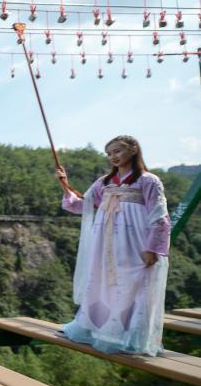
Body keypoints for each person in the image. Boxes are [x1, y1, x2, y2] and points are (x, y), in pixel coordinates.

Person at [56, 135, 170, 356]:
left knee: (134, 283)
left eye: (117, 151)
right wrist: (64, 184)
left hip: (135, 242)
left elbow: (160, 217)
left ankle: (130, 336)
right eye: (109, 153)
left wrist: (153, 248)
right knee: (104, 281)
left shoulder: (149, 181)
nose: (113, 157)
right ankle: (96, 329)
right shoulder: (103, 183)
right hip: (106, 243)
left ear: (133, 149)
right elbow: (84, 205)